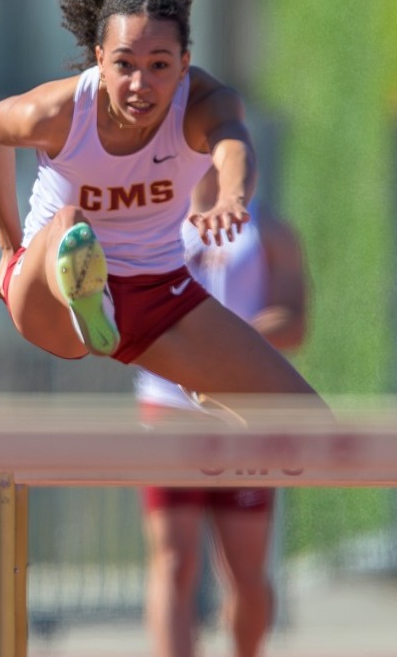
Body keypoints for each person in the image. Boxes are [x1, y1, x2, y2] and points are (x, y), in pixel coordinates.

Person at [0, 0, 325, 420]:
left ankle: (205, 381)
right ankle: (84, 289)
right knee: (72, 222)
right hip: (48, 296)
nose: (141, 85)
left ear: (185, 64)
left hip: (154, 292)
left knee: (310, 424)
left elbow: (232, 144)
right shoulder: (57, 114)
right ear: (99, 61)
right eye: (124, 65)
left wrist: (232, 197)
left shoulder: (203, 102)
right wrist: (9, 247)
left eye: (159, 65)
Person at [137, 168, 308, 657]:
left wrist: (225, 349)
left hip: (243, 412)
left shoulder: (270, 231)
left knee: (247, 576)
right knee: (173, 563)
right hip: (169, 408)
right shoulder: (154, 228)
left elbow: (294, 321)